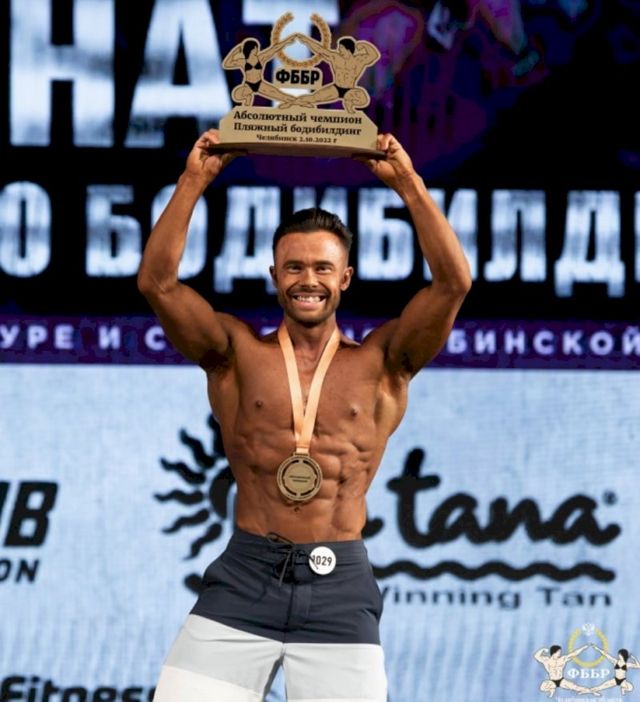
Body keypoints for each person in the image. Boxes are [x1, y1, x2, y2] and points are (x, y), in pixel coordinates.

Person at [137, 128, 471, 701]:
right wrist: (194, 179)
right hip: (244, 580)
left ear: (345, 278)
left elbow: (453, 283)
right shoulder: (236, 355)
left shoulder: (384, 363)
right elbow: (158, 284)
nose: (308, 280)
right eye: (293, 268)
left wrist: (409, 185)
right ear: (274, 276)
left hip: (340, 589)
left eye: (322, 268)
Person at [292, 34, 380, 112]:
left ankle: (349, 104)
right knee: (313, 98)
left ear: (348, 49)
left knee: (364, 100)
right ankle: (292, 102)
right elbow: (320, 50)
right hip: (336, 88)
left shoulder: (358, 60)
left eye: (341, 48)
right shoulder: (336, 58)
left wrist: (363, 45)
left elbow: (374, 55)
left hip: (351, 90)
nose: (339, 50)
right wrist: (306, 40)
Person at [222, 36, 298, 106]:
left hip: (260, 84)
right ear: (252, 49)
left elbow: (274, 49)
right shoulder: (243, 61)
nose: (257, 49)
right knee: (236, 95)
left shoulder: (261, 58)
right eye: (256, 48)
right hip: (248, 85)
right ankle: (247, 100)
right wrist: (235, 52)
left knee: (281, 95)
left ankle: (299, 102)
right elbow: (226, 64)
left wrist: (285, 42)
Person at [533, 644, 598, 697]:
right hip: (552, 681)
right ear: (554, 652)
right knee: (542, 688)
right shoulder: (546, 660)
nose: (560, 653)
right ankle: (552, 689)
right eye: (559, 652)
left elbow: (574, 654)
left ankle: (592, 692)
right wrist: (543, 649)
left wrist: (583, 647)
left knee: (576, 687)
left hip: (561, 680)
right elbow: (536, 656)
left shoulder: (562, 659)